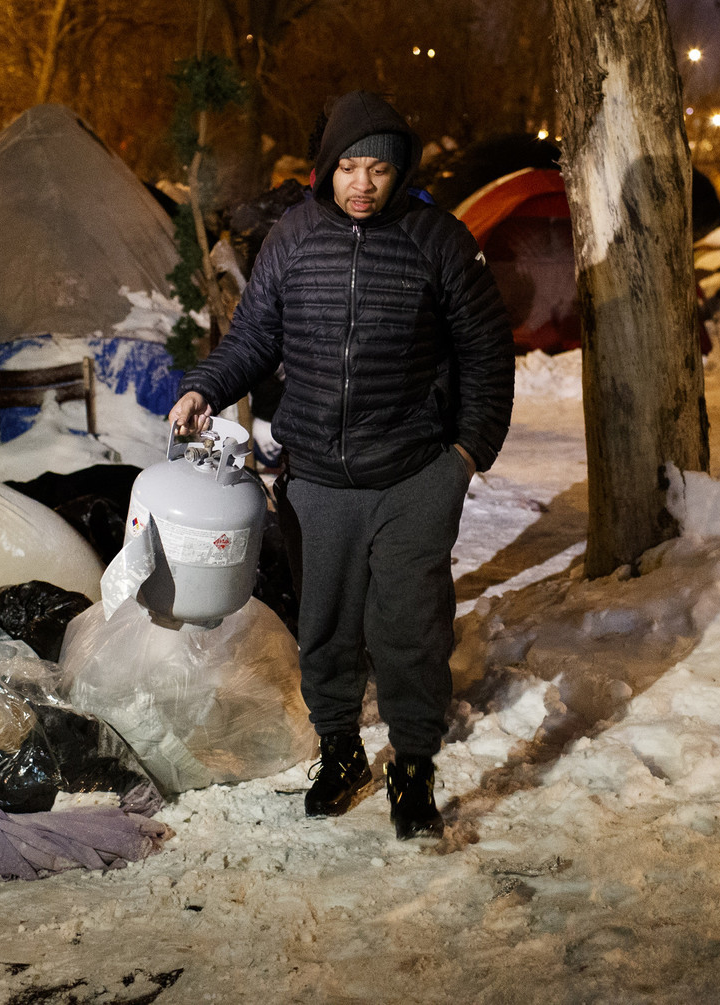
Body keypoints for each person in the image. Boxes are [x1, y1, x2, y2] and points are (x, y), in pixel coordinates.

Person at [168, 90, 513, 840]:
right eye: (349, 167)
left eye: (379, 170)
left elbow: (488, 351)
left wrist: (465, 455)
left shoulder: (438, 241)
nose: (363, 184)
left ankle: (414, 760)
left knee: (409, 627)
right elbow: (255, 334)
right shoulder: (293, 238)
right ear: (327, 170)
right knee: (324, 626)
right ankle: (343, 752)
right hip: (317, 479)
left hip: (415, 472)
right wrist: (204, 386)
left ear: (401, 173)